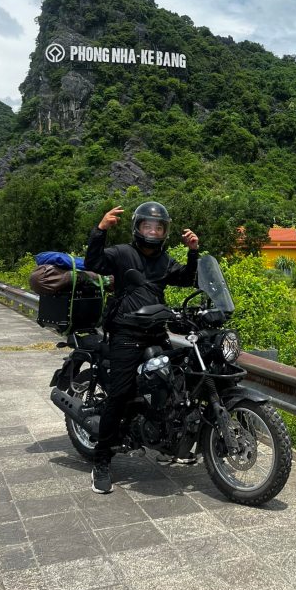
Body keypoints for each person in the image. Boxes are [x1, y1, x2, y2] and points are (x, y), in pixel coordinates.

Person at [84, 201, 200, 493]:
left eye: (158, 227)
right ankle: (101, 461)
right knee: (120, 394)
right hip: (125, 332)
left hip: (155, 332)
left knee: (173, 384)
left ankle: (164, 439)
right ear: (137, 228)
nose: (153, 231)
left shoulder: (164, 260)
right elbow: (93, 264)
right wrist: (101, 230)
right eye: (147, 226)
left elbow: (186, 278)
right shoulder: (123, 253)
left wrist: (193, 251)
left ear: (165, 231)